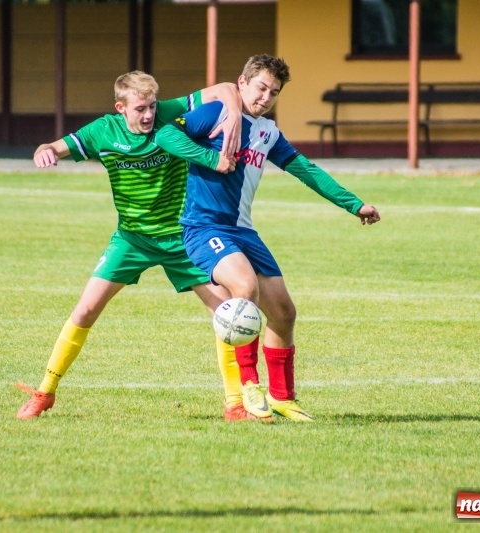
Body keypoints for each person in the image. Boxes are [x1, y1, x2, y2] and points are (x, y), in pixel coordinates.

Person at [15, 71, 270, 422]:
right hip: (132, 238)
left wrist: (233, 117)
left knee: (225, 312)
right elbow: (54, 147)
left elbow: (226, 88)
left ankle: (234, 404)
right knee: (86, 310)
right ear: (120, 108)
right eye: (140, 109)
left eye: (152, 106)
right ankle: (44, 392)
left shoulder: (169, 113)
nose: (149, 115)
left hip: (182, 236)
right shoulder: (102, 131)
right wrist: (45, 151)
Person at [155, 54, 380, 423]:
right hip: (203, 227)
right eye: (261, 87)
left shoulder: (268, 132)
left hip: (243, 230)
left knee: (284, 312)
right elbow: (166, 134)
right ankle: (248, 386)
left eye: (273, 93)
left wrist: (354, 204)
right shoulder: (215, 114)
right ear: (241, 82)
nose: (265, 97)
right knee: (244, 287)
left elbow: (305, 169)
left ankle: (282, 398)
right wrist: (210, 159)